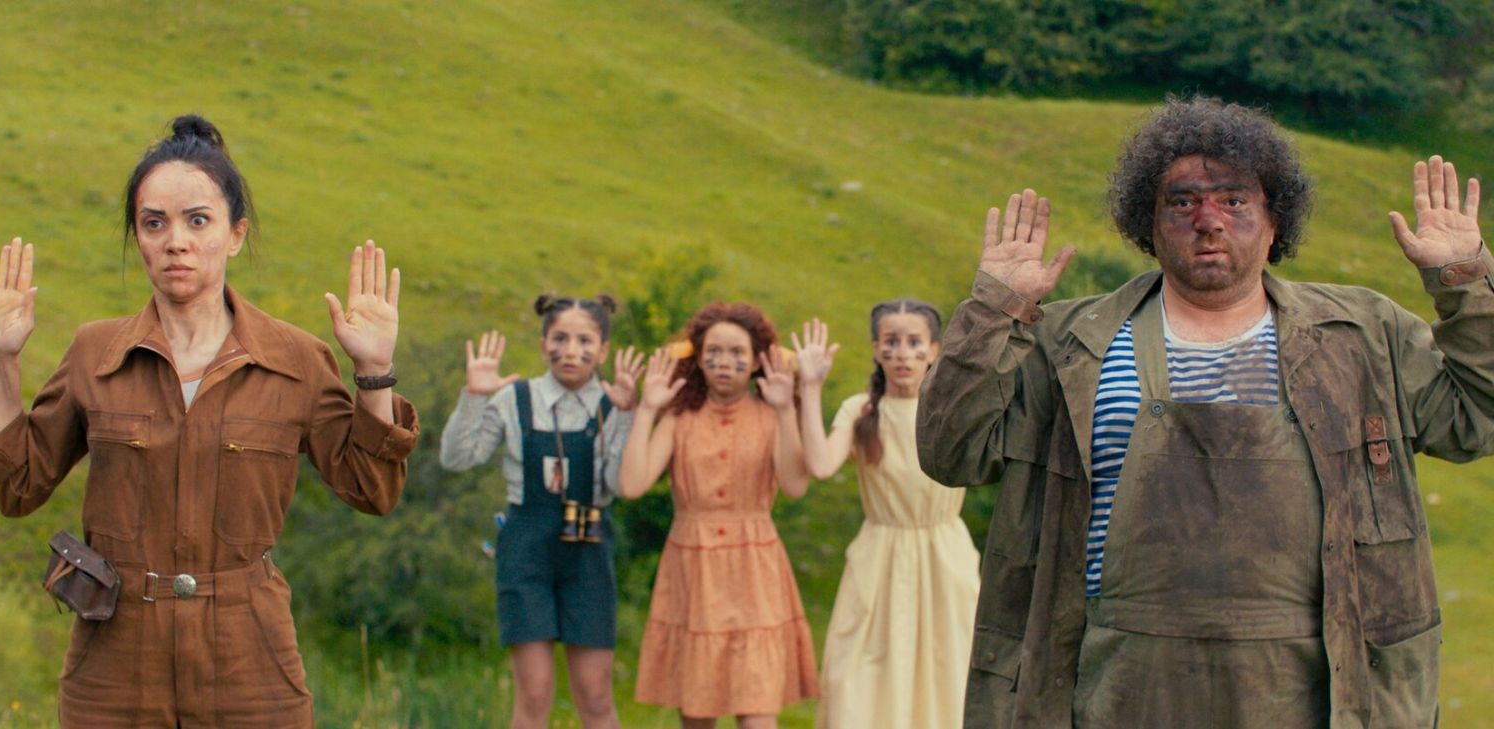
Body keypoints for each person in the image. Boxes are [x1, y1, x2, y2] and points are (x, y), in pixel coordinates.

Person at [916, 96, 1494, 728]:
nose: (1208, 220)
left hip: (1318, 692)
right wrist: (994, 309)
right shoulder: (1069, 343)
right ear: (1149, 223)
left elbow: (1478, 418)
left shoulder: (1362, 334)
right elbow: (951, 452)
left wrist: (1463, 282)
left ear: (1274, 223)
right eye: (1182, 202)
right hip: (1114, 689)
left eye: (1235, 201)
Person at [0, 115, 421, 727]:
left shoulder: (295, 359)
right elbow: (19, 487)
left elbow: (372, 490)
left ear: (236, 234)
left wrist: (374, 370)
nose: (175, 241)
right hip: (114, 666)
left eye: (198, 221)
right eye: (154, 223)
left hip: (250, 662)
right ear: (137, 237)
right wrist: (0, 362)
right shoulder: (94, 352)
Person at [438, 294, 644, 729]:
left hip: (589, 547)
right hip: (525, 548)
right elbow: (457, 458)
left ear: (603, 350)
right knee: (533, 693)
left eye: (584, 341)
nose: (571, 350)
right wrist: (474, 396)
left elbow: (617, 485)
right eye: (560, 338)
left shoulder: (615, 403)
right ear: (543, 343)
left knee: (595, 693)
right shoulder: (515, 399)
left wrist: (627, 416)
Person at [619, 302, 818, 729]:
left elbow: (795, 485)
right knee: (697, 712)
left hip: (755, 568)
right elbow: (632, 485)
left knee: (758, 712)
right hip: (693, 567)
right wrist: (647, 410)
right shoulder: (679, 417)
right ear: (698, 359)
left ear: (756, 361)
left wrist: (787, 410)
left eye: (736, 352)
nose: (724, 362)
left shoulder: (772, 414)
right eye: (713, 352)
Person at [793, 306, 980, 729]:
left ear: (934, 350)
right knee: (855, 676)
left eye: (914, 342)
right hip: (878, 558)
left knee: (946, 672)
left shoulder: (950, 408)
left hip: (943, 557)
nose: (902, 353)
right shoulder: (860, 410)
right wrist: (810, 387)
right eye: (891, 342)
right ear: (877, 350)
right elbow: (820, 465)